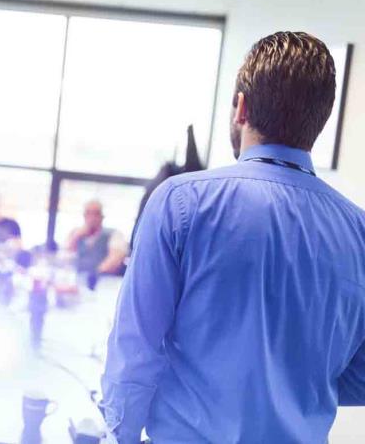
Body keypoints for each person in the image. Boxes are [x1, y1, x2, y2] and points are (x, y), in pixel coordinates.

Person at [102, 32, 365, 443]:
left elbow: (135, 350)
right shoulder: (359, 232)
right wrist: (295, 388)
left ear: (241, 107)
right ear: (319, 121)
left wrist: (122, 433)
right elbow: (361, 377)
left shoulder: (181, 202)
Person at [65, 200, 128, 276]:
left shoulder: (114, 234)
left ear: (102, 216)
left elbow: (115, 260)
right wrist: (76, 236)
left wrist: (95, 273)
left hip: (105, 279)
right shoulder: (75, 233)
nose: (92, 217)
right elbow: (67, 256)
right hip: (78, 278)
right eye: (88, 213)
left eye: (96, 213)